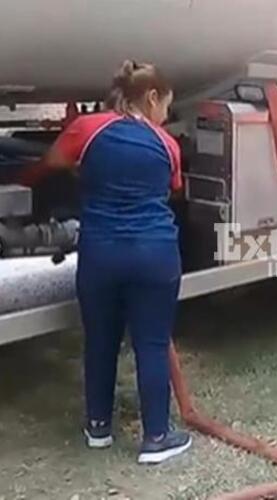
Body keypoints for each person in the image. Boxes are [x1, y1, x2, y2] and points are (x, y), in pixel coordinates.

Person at [36, 60, 191, 464]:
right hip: (154, 255)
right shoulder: (166, 144)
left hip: (100, 253)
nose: (166, 117)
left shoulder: (87, 129)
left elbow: (53, 161)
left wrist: (85, 172)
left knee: (100, 341)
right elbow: (173, 187)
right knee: (151, 344)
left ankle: (98, 428)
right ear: (151, 98)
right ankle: (156, 437)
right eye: (166, 108)